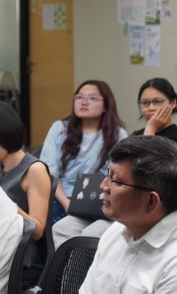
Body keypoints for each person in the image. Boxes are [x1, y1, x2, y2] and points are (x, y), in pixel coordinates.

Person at [53, 78, 177, 248]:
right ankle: (66, 266)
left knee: (91, 233)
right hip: (111, 201)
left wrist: (151, 129)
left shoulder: (171, 137)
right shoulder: (135, 135)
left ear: (173, 103)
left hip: (145, 207)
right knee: (62, 228)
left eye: (157, 102)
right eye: (145, 103)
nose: (151, 108)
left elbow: (144, 173)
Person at [79, 135, 177, 294]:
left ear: (151, 201)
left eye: (115, 181)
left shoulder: (172, 264)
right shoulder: (115, 232)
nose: (103, 186)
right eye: (107, 175)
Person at [40, 80, 127, 226]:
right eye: (79, 97)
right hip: (61, 197)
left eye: (92, 98)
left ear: (106, 105)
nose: (84, 102)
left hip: (98, 200)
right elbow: (49, 173)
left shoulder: (117, 134)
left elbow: (119, 174)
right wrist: (67, 203)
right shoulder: (59, 128)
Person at [0, 100, 50, 240]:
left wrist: (6, 206)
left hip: (14, 244)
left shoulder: (35, 170)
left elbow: (37, 230)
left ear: (4, 135)